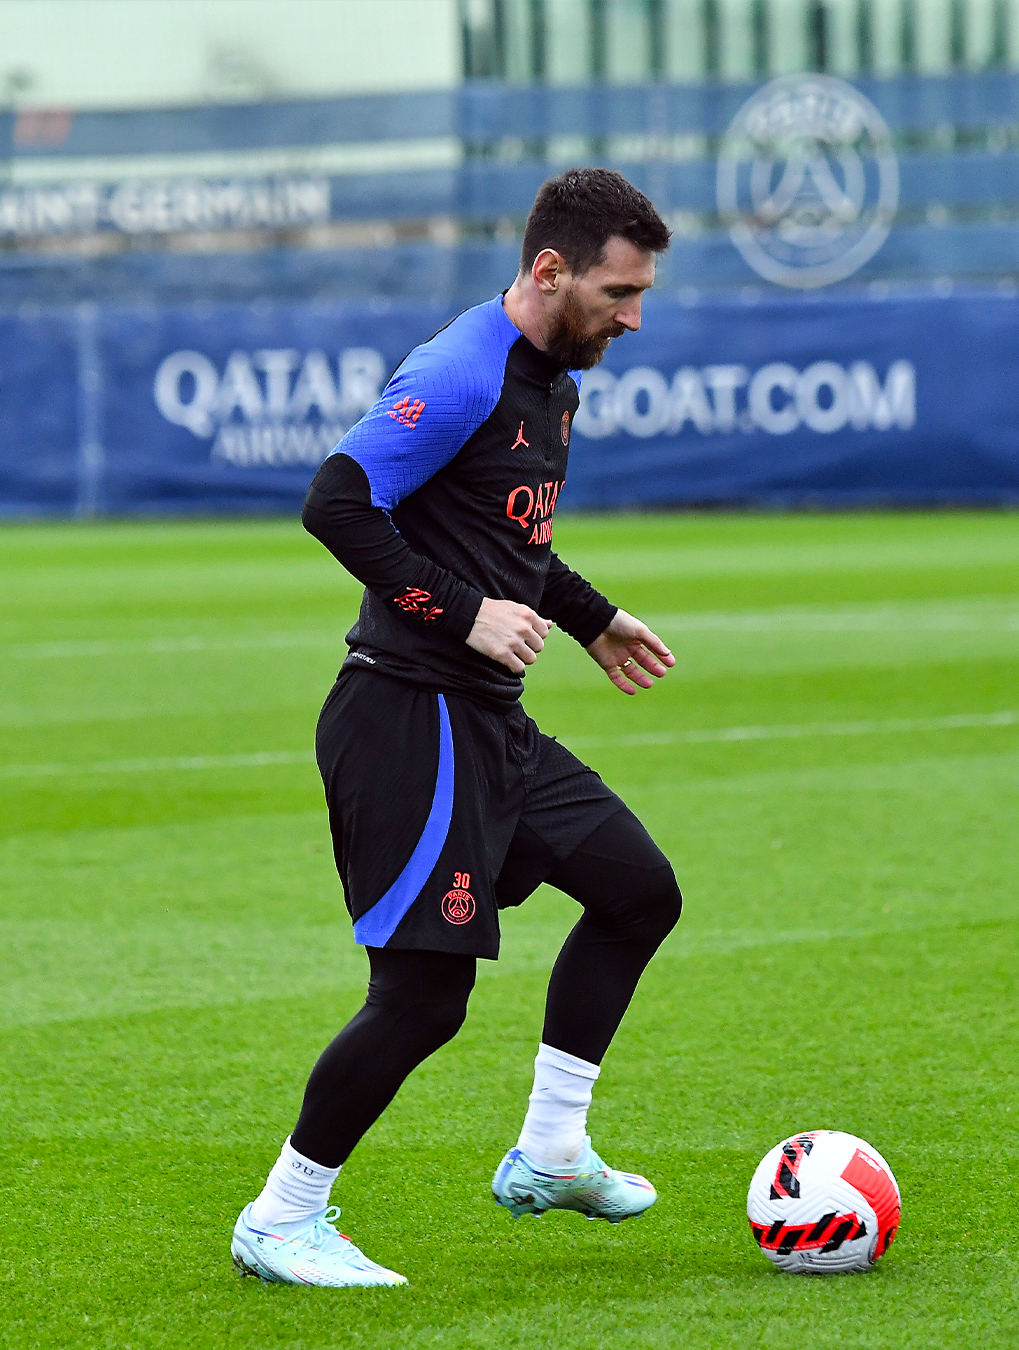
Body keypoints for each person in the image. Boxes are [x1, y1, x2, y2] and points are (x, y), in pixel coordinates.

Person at [230, 168, 681, 1288]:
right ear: (549, 270)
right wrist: (463, 613)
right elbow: (335, 502)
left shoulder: (557, 385)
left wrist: (589, 618)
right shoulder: (463, 368)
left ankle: (551, 1148)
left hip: (486, 721)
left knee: (638, 892)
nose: (633, 316)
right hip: (405, 717)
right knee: (425, 999)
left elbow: (508, 545)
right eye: (621, 292)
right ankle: (282, 1217)